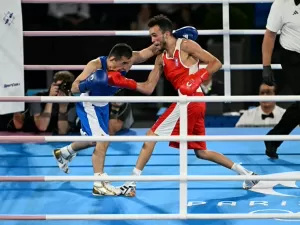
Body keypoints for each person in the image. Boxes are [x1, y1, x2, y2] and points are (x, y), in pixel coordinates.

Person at [118, 15, 259, 197]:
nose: (152, 40)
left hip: (190, 100)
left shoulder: (185, 46)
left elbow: (216, 63)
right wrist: (124, 82)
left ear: (166, 34)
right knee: (201, 152)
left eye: (155, 35)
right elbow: (148, 87)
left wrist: (196, 78)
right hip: (191, 101)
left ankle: (131, 183)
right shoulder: (161, 57)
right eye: (151, 36)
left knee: (150, 136)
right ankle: (247, 174)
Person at [52, 27, 199, 196]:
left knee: (94, 141)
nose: (127, 67)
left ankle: (64, 152)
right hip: (89, 103)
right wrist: (89, 83)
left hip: (103, 104)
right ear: (112, 60)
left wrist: (172, 37)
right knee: (102, 141)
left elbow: (149, 51)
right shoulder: (95, 65)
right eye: (124, 64)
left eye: (129, 63)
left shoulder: (127, 60)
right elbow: (74, 87)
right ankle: (98, 183)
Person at [262, 0, 300, 159]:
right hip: (292, 58)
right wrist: (266, 66)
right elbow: (270, 35)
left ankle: (273, 139)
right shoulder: (281, 4)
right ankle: (273, 139)